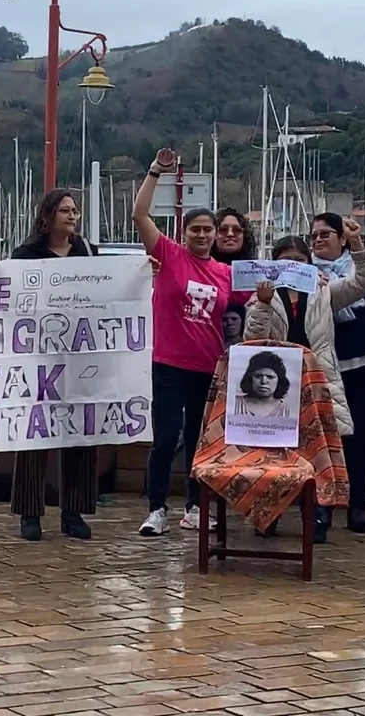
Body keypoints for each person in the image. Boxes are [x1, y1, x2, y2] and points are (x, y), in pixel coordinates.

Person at [244, 227, 365, 541]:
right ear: (274, 264)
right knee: (274, 452)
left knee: (319, 450)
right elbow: (251, 339)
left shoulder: (324, 291)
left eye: (299, 260)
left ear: (309, 264)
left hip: (317, 380)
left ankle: (317, 516)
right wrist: (263, 304)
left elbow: (364, 280)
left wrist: (356, 244)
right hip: (278, 385)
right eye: (285, 260)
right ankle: (269, 513)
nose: (293, 266)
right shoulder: (261, 295)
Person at [132, 148, 232, 537]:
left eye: (208, 230)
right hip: (169, 364)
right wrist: (155, 171)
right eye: (196, 230)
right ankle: (156, 508)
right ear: (184, 233)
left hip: (208, 366)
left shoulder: (225, 272)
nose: (203, 235)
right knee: (165, 437)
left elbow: (262, 297)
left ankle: (194, 506)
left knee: (198, 440)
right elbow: (140, 215)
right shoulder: (169, 255)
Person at [8, 188, 99, 542]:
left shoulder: (88, 252)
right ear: (47, 216)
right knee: (35, 431)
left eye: (75, 210)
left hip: (79, 354)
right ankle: (29, 512)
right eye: (65, 210)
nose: (72, 216)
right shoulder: (25, 255)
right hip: (38, 354)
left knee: (80, 429)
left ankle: (74, 511)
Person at [311, 212, 365, 533]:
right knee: (322, 440)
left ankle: (358, 506)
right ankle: (323, 507)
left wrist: (359, 242)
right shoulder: (306, 273)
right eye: (313, 235)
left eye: (325, 234)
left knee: (359, 436)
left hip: (360, 363)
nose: (318, 239)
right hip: (321, 365)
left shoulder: (360, 266)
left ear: (342, 238)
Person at [234, 350, 292, 418]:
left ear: (279, 381)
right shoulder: (234, 403)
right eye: (258, 376)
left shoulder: (288, 410)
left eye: (270, 377)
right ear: (250, 378)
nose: (263, 381)